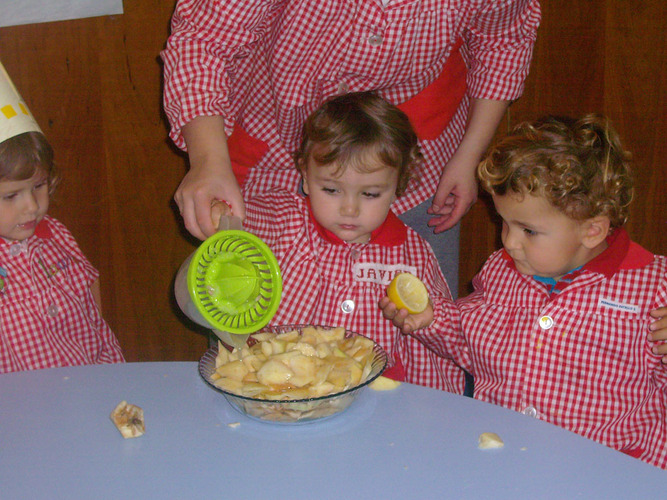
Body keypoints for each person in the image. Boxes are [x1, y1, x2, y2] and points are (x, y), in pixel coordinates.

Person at [161, 0, 542, 298]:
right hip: (274, 139)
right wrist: (208, 161)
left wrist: (469, 155)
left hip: (416, 145)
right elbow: (204, 40)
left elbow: (504, 39)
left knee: (414, 315)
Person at [381, 114, 667, 469]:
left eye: (529, 230)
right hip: (501, 460)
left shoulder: (654, 288)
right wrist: (432, 319)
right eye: (504, 222)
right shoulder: (502, 271)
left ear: (592, 230)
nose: (509, 242)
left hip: (602, 473)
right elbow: (474, 343)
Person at [211, 92, 466, 393]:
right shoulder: (283, 219)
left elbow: (446, 341)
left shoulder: (413, 254)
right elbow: (240, 221)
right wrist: (221, 215)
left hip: (376, 398)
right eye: (331, 190)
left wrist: (429, 320)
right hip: (283, 389)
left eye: (370, 194)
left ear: (398, 186)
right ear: (306, 176)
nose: (349, 209)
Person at [0, 62, 124, 373]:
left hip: (85, 372)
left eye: (39, 186)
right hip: (20, 401)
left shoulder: (54, 232)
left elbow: (88, 284)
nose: (32, 206)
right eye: (11, 195)